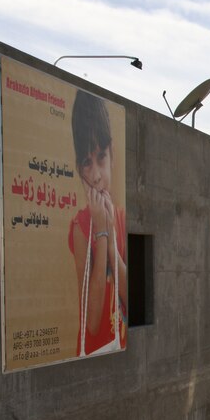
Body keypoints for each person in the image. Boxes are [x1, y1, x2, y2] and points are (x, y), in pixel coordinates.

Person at [67, 90, 128, 356]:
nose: (96, 176)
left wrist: (112, 232)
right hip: (94, 354)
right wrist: (102, 233)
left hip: (120, 345)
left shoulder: (123, 217)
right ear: (80, 171)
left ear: (112, 154)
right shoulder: (80, 227)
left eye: (101, 157)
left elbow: (129, 297)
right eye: (87, 163)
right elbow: (91, 322)